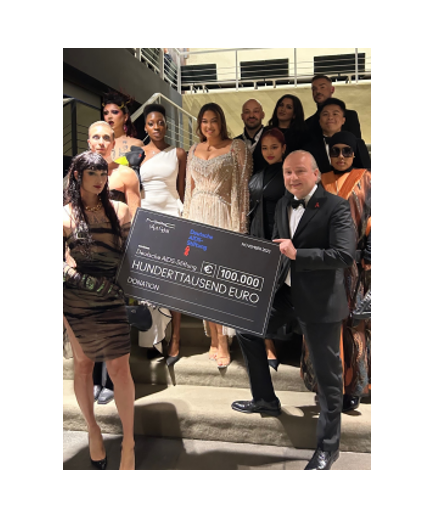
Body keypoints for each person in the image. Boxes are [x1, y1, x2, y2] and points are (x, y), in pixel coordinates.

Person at [232, 150, 356, 470]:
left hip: (320, 301)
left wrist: (299, 253)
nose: (292, 178)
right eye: (287, 172)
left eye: (299, 171)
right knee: (246, 327)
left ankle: (329, 448)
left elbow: (343, 255)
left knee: (327, 377)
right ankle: (266, 399)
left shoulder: (336, 206)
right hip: (286, 293)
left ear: (315, 173)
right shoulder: (285, 203)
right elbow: (279, 248)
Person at [63, 151, 135, 470]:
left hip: (113, 294)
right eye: (92, 173)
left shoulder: (119, 210)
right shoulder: (63, 216)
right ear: (77, 175)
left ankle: (129, 442)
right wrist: (79, 278)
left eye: (103, 173)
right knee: (83, 364)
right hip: (78, 298)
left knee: (120, 369)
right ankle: (93, 428)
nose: (100, 178)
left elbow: (137, 255)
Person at [301, 131, 371, 413]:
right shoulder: (318, 181)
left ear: (355, 153)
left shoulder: (368, 178)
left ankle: (354, 386)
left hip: (355, 266)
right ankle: (325, 387)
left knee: (354, 326)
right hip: (320, 265)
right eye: (335, 151)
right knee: (320, 328)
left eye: (347, 151)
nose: (340, 157)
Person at [183, 102, 252, 368]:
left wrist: (240, 229)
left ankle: (224, 340)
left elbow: (242, 189)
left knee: (219, 281)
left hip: (222, 217)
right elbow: (189, 190)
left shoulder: (237, 147)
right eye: (204, 121)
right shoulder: (193, 149)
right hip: (198, 217)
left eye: (213, 120)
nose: (208, 125)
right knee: (202, 282)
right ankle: (212, 336)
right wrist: (186, 224)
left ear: (221, 122)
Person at [87, 120, 141, 404]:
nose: (100, 141)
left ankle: (110, 378)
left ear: (113, 143)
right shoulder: (76, 175)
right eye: (95, 136)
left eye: (106, 137)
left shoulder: (126, 175)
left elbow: (137, 218)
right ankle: (95, 376)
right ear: (88, 142)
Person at [138, 103, 187, 366]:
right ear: (145, 127)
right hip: (146, 217)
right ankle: (152, 339)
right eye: (151, 123)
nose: (157, 127)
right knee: (148, 280)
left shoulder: (178, 153)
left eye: (161, 123)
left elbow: (181, 190)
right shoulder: (137, 154)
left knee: (173, 279)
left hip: (172, 215)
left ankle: (176, 337)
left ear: (166, 125)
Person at [248, 127, 287, 370]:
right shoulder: (258, 173)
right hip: (257, 238)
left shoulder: (289, 173)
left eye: (274, 147)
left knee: (281, 295)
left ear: (284, 148)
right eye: (265, 148)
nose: (269, 152)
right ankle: (268, 345)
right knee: (261, 294)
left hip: (281, 239)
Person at [303, 98, 370, 175]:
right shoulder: (308, 148)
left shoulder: (357, 143)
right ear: (319, 120)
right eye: (325, 114)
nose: (330, 118)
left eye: (335, 114)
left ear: (343, 120)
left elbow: (367, 174)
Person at [102, 91, 145, 160]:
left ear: (125, 117)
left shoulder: (135, 144)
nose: (109, 117)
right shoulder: (100, 144)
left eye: (115, 112)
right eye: (106, 113)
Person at [234, 98, 267, 175]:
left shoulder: (273, 138)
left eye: (256, 111)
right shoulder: (234, 143)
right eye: (247, 112)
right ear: (242, 116)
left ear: (263, 115)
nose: (251, 115)